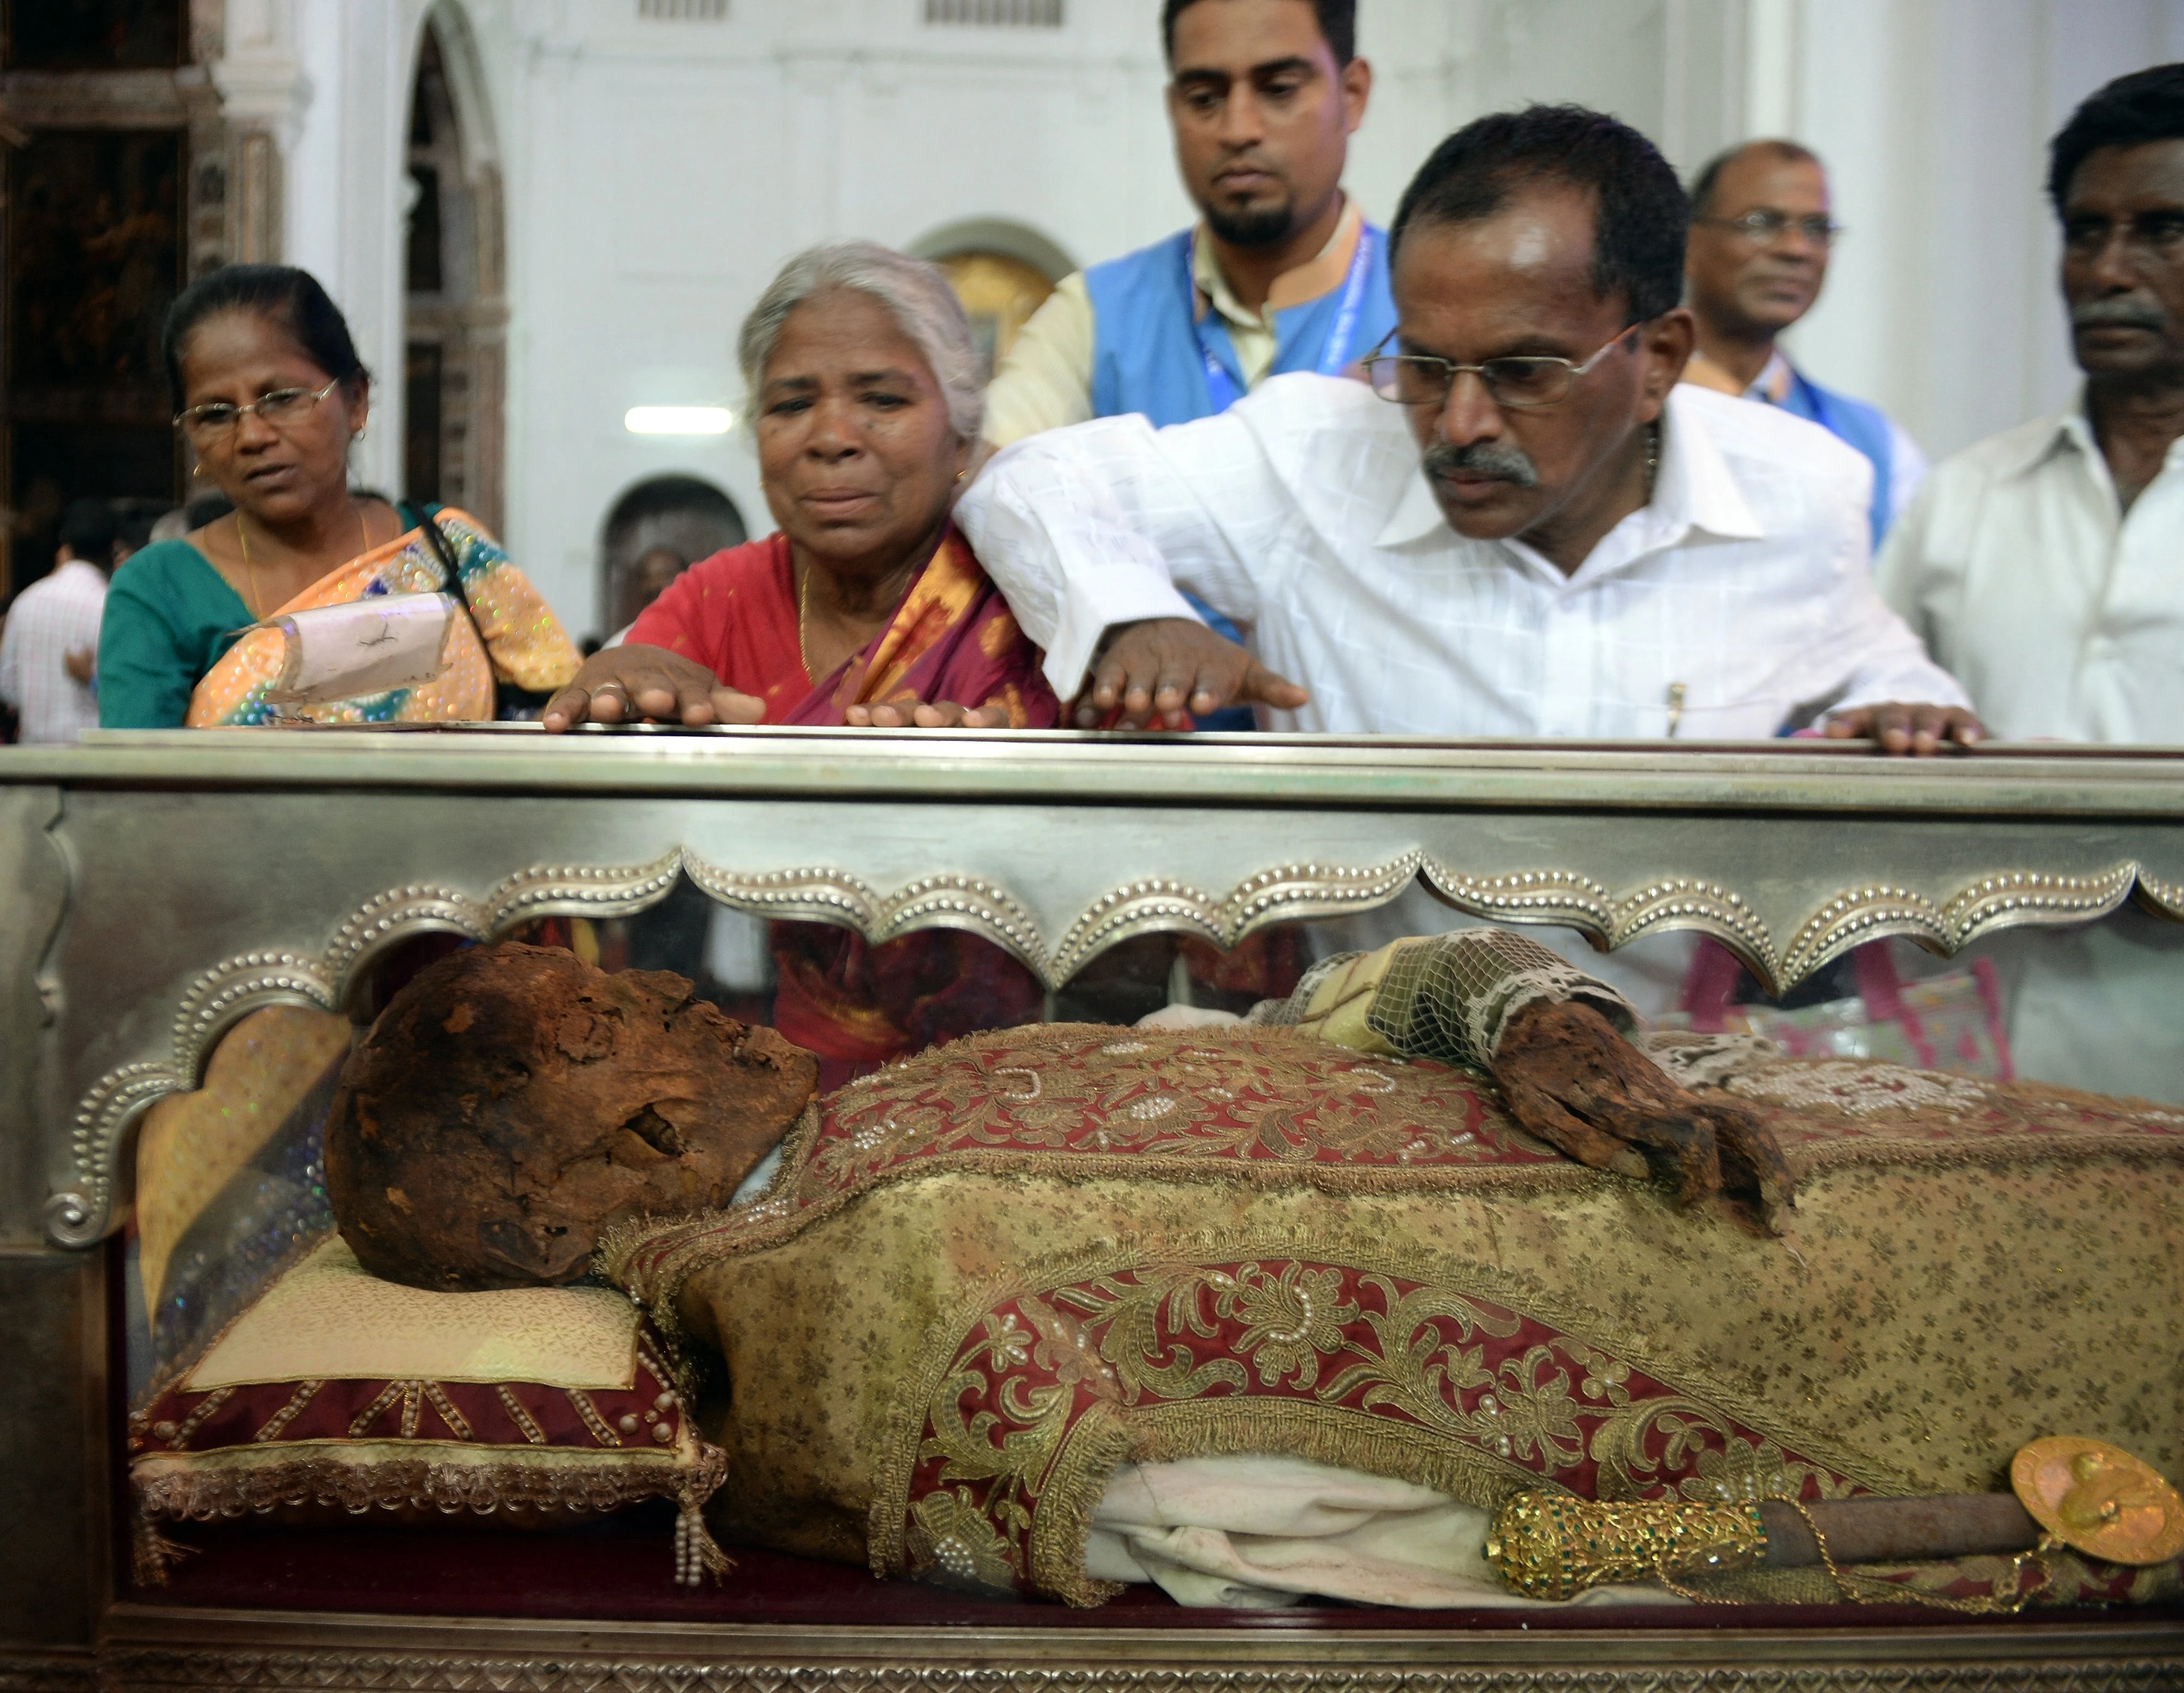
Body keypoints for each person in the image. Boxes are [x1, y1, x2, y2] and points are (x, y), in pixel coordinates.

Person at [959, 104, 1979, 757]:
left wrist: (1906, 704)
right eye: (1425, 365)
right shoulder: (1313, 455)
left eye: (1523, 372)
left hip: (1673, 1069)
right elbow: (1027, 480)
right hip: (1373, 1066)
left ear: (1658, 359)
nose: (1457, 423)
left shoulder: (1800, 495)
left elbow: (1877, 662)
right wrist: (1130, 613)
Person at [543, 242, 1061, 1082]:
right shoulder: (724, 595)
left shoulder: (1035, 591)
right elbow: (612, 694)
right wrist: (620, 678)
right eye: (791, 405)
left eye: (881, 400)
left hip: (1016, 1086)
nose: (830, 439)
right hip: (767, 1084)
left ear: (962, 423)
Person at [1877, 63, 2184, 1101]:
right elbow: (1853, 727)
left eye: (2161, 230)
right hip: (1976, 1088)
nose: (2107, 269)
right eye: (2084, 231)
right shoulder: (1966, 495)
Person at [98, 264, 578, 728]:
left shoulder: (450, 550)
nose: (251, 436)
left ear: (356, 400)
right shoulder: (159, 589)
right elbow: (137, 793)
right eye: (216, 414)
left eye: (282, 399)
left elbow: (563, 715)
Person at [982, 0, 1390, 449]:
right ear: (1175, 108)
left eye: (1278, 89)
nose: (1237, 130)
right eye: (1204, 99)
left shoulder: (1431, 308)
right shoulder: (1094, 318)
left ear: (1352, 95)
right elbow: (989, 483)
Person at [1681, 139, 1927, 545]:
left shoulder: (1874, 449)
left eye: (1816, 229)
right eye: (1761, 223)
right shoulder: (1621, 411)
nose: (1796, 249)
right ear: (1689, 242)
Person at [0, 498, 116, 744]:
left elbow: (8, 687)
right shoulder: (112, 607)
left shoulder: (26, 602)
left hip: (33, 759)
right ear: (111, 550)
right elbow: (126, 697)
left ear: (65, 545)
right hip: (93, 761)